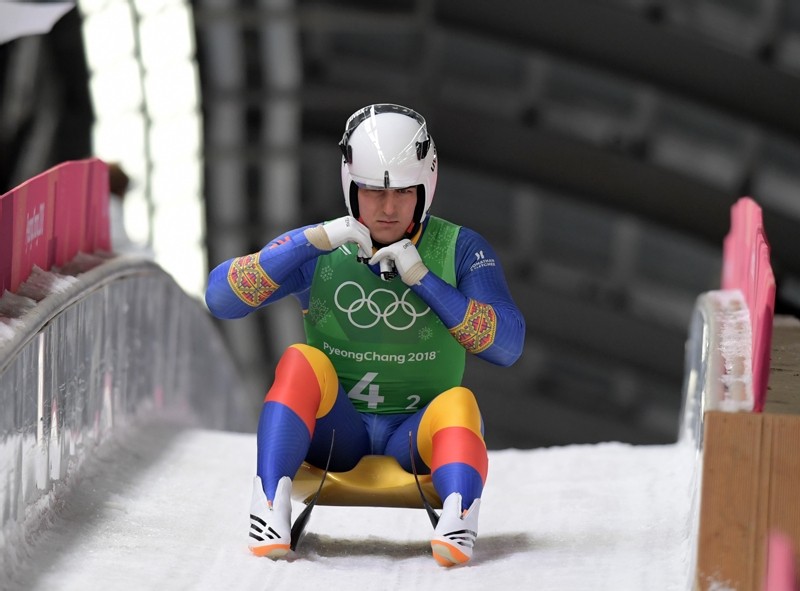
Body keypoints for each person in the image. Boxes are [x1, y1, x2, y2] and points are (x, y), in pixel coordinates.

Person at [205, 103, 525, 567]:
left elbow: (507, 346)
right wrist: (306, 243)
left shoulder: (460, 248)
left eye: (404, 193)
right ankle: (269, 503)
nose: (388, 208)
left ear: (426, 189)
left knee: (460, 403)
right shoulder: (322, 245)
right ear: (351, 187)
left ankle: (459, 518)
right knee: (300, 361)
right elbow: (221, 299)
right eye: (373, 191)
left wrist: (425, 280)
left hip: (416, 437)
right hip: (337, 433)